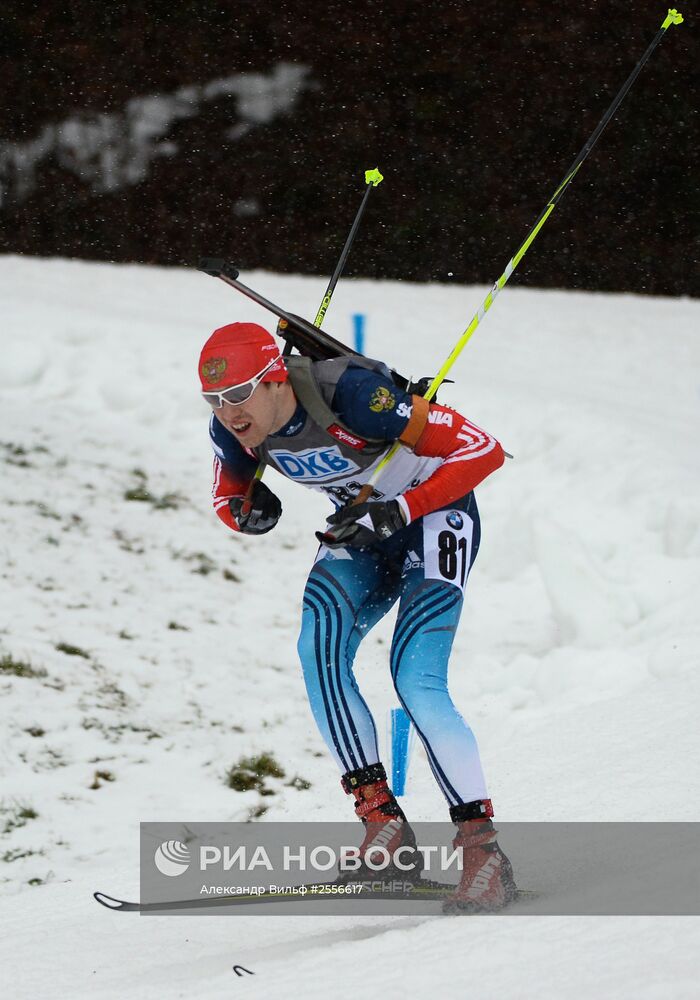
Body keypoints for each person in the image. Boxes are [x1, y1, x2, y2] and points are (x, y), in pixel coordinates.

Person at [199, 320, 516, 911]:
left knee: (415, 678)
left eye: (238, 394)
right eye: (213, 400)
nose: (227, 412)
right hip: (361, 529)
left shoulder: (354, 397)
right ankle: (384, 827)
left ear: (274, 381)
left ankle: (483, 852)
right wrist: (242, 512)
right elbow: (225, 490)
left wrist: (404, 508)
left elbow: (484, 450)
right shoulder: (236, 429)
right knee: (316, 648)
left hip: (433, 517)